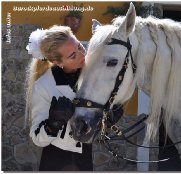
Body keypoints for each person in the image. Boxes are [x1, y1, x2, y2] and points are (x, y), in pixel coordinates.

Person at [25, 25, 123, 171]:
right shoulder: (43, 85)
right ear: (58, 62)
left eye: (79, 46)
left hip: (84, 156)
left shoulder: (93, 70)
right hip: (56, 160)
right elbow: (38, 138)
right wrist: (54, 122)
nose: (82, 55)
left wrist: (108, 116)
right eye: (72, 55)